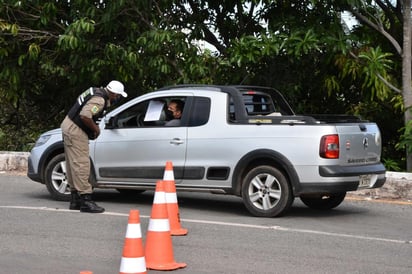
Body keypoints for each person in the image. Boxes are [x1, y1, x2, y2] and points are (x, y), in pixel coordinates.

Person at [61, 80, 127, 213]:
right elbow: (85, 115)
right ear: (113, 94)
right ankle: (86, 200)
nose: (117, 99)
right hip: (76, 130)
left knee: (72, 163)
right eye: (118, 96)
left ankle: (75, 199)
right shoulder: (99, 100)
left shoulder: (94, 91)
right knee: (81, 164)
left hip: (68, 125)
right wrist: (96, 129)